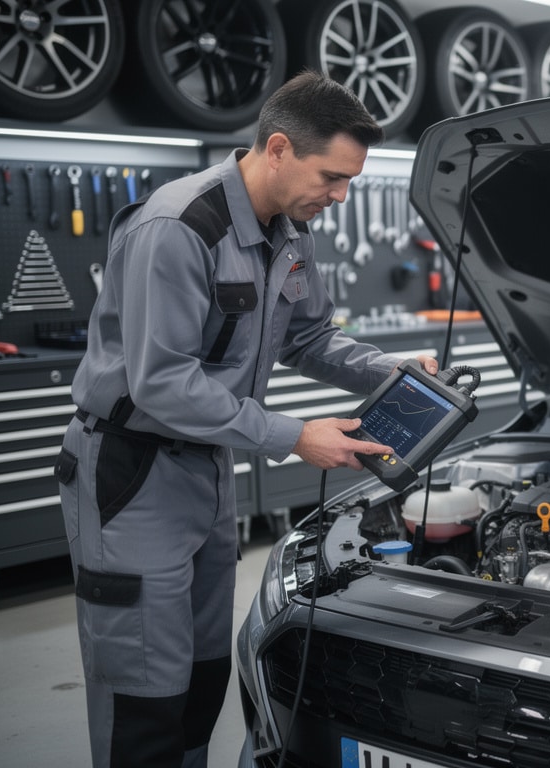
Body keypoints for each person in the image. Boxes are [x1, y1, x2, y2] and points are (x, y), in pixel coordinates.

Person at [55, 70, 436, 768]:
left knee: (202, 676)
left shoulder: (291, 229)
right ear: (279, 148)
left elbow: (309, 337)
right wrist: (294, 436)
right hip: (130, 474)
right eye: (332, 177)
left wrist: (389, 369)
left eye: (350, 181)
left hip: (206, 466)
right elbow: (162, 383)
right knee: (143, 690)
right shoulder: (179, 226)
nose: (341, 197)